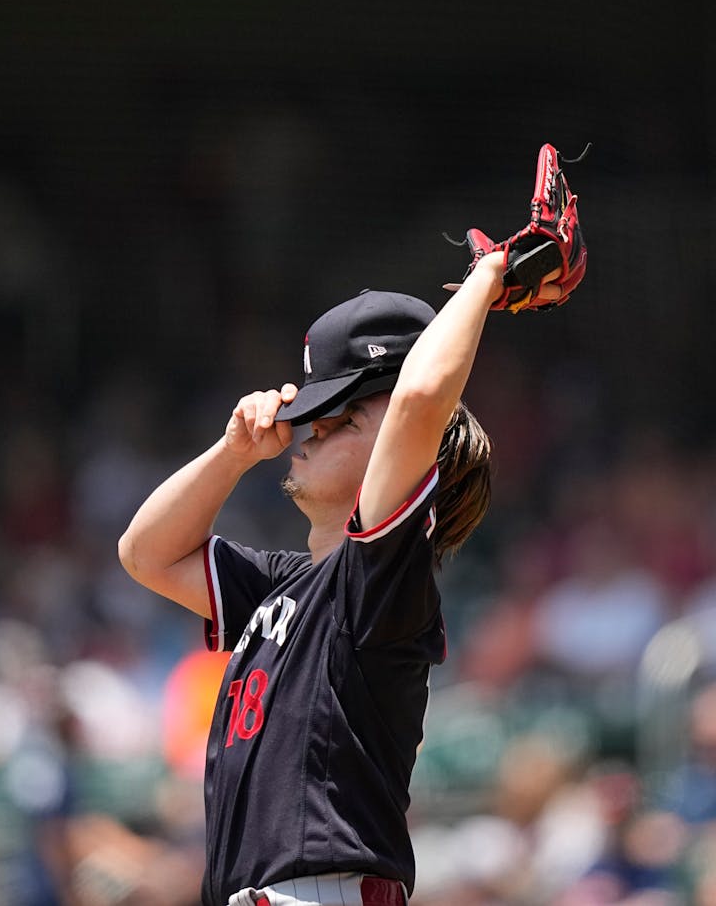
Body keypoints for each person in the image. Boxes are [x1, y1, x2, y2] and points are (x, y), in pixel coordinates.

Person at [119, 250, 565, 906]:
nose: (310, 428)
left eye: (343, 416)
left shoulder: (380, 580)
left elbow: (417, 399)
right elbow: (145, 552)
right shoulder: (278, 586)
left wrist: (488, 276)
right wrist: (232, 453)